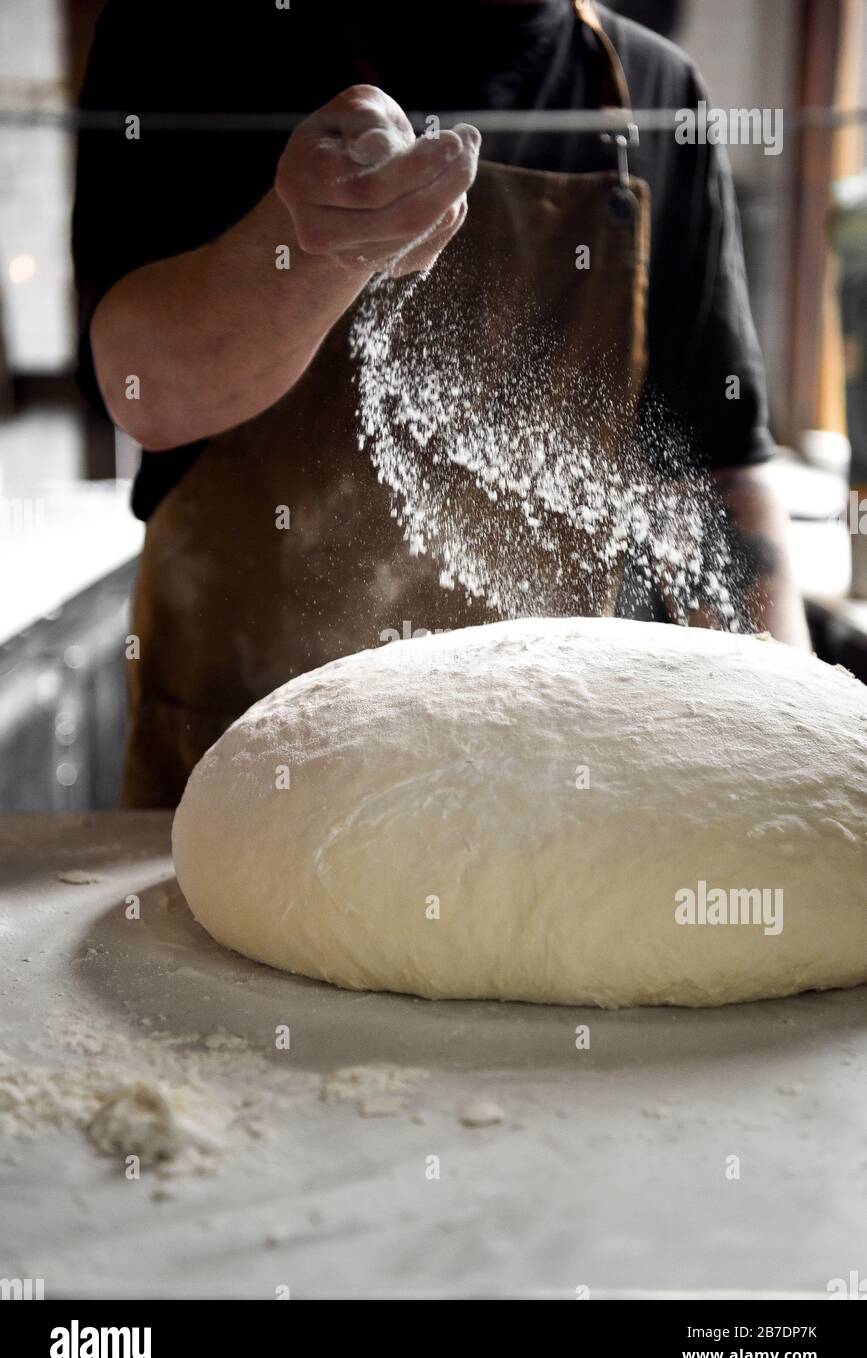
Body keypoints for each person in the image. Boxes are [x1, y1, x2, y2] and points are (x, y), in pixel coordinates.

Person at [73, 0, 811, 807]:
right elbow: (143, 393)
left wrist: (786, 752)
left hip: (547, 786)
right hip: (250, 771)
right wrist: (309, 247)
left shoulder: (654, 88)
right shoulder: (183, 34)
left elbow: (717, 472)